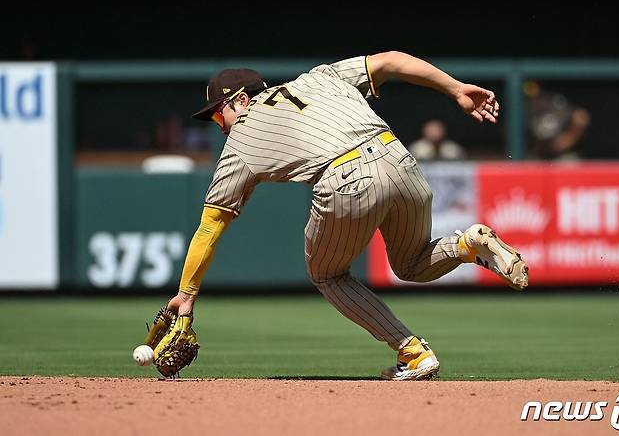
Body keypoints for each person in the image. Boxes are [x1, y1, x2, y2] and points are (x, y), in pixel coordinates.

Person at [145, 51, 529, 381]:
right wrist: (455, 88)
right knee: (411, 265)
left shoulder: (243, 135)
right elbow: (392, 60)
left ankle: (412, 351)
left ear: (241, 101)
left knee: (327, 274)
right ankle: (468, 243)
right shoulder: (319, 77)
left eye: (217, 117)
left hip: (346, 177)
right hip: (399, 157)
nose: (221, 127)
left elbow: (211, 226)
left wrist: (186, 293)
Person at [525, 81, 590, 161]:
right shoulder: (522, 108)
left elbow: (581, 116)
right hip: (537, 155)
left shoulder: (550, 102)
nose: (533, 99)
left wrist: (569, 138)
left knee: (570, 163)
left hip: (561, 156)